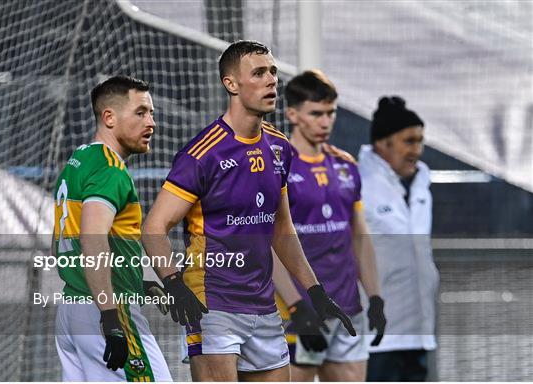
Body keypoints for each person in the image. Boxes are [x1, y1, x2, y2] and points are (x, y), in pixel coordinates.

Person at [141, 40, 355, 382]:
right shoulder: (203, 153)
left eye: (272, 71)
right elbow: (154, 227)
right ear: (231, 84)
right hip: (213, 304)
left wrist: (315, 291)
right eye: (259, 73)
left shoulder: (280, 148)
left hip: (263, 306)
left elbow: (282, 230)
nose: (271, 80)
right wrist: (174, 284)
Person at [53, 75, 204, 381]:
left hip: (71, 310)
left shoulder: (79, 160)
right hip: (106, 310)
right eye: (141, 112)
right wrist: (110, 315)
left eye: (152, 113)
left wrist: (136, 282)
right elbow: (93, 239)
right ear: (109, 117)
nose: (152, 122)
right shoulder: (110, 169)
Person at [272, 70, 386, 381]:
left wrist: (375, 297)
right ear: (293, 114)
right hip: (301, 312)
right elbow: (269, 244)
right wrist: (297, 308)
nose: (325, 121)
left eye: (330, 112)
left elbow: (360, 237)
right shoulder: (277, 165)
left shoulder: (346, 165)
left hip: (348, 308)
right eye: (316, 113)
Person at [358, 96, 439, 381]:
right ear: (383, 143)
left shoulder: (421, 185)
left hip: (418, 331)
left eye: (420, 141)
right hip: (376, 337)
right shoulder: (358, 184)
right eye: (409, 141)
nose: (416, 149)